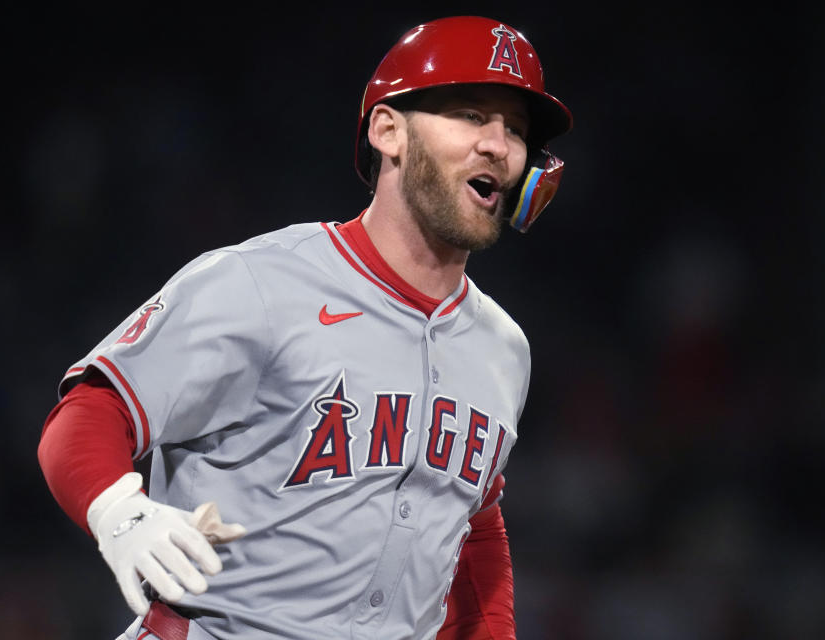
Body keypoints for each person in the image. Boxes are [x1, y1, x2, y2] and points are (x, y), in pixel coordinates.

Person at [38, 15, 572, 640]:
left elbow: (473, 523)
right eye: (471, 116)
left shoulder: (503, 349)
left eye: (515, 130)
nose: (498, 146)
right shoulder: (261, 284)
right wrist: (120, 512)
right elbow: (90, 410)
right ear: (387, 129)